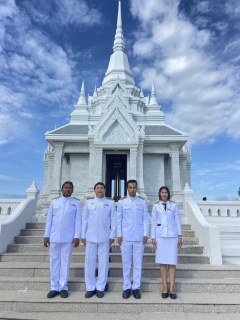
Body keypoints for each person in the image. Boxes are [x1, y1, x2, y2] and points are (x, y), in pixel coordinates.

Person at [44, 181, 82, 299]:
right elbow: (49, 220)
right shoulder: (54, 202)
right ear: (62, 190)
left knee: (65, 262)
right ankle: (54, 287)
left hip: (68, 237)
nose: (67, 190)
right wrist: (46, 235)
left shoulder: (76, 203)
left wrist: (77, 236)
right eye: (66, 188)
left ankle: (63, 286)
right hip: (54, 236)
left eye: (70, 188)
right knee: (54, 262)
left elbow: (78, 221)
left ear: (72, 190)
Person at [81, 182, 116, 298]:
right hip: (90, 236)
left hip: (104, 236)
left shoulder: (110, 203)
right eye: (97, 188)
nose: (99, 190)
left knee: (103, 262)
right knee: (89, 263)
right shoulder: (88, 202)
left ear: (105, 190)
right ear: (94, 190)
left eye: (101, 188)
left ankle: (100, 286)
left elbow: (113, 220)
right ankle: (90, 287)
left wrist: (112, 235)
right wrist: (83, 235)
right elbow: (84, 220)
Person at [117, 179, 149, 299]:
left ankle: (136, 287)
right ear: (127, 189)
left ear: (137, 188)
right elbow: (118, 219)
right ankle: (126, 286)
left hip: (139, 236)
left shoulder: (142, 202)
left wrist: (146, 233)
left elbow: (146, 219)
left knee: (137, 262)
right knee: (126, 262)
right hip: (125, 236)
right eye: (130, 187)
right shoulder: (122, 202)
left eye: (134, 187)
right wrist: (119, 234)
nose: (132, 190)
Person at [151, 186, 182, 299]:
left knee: (172, 262)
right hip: (161, 236)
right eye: (162, 192)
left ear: (168, 194)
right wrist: (153, 237)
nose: (164, 194)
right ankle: (165, 287)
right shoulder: (156, 206)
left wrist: (180, 236)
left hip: (172, 236)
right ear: (159, 194)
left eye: (166, 192)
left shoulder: (173, 205)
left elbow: (178, 221)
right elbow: (154, 222)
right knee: (163, 263)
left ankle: (172, 288)